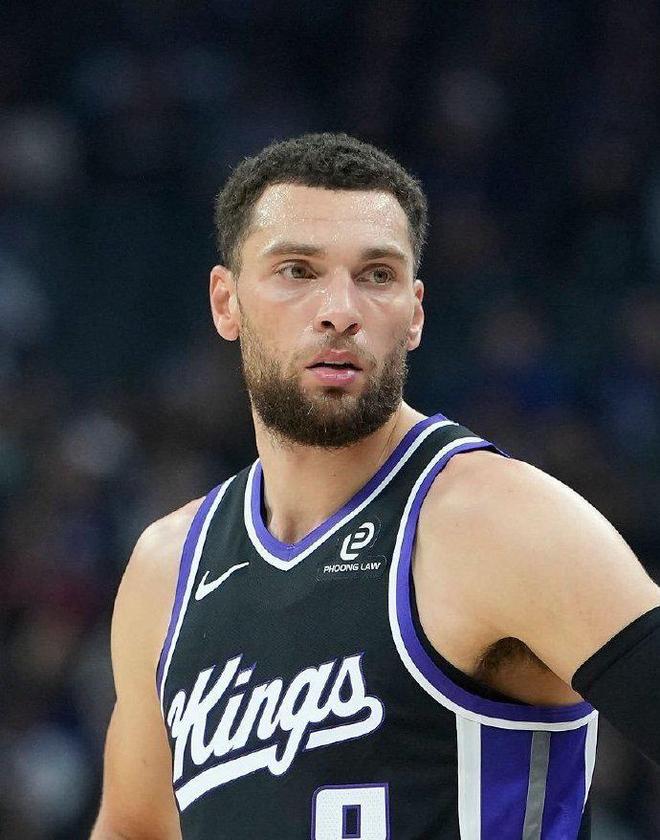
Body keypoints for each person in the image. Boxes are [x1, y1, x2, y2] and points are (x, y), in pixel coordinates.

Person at [91, 133, 660, 840]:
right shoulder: (167, 567)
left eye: (377, 274)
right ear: (226, 301)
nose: (340, 309)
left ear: (415, 313)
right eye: (297, 271)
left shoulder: (497, 519)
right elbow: (134, 827)